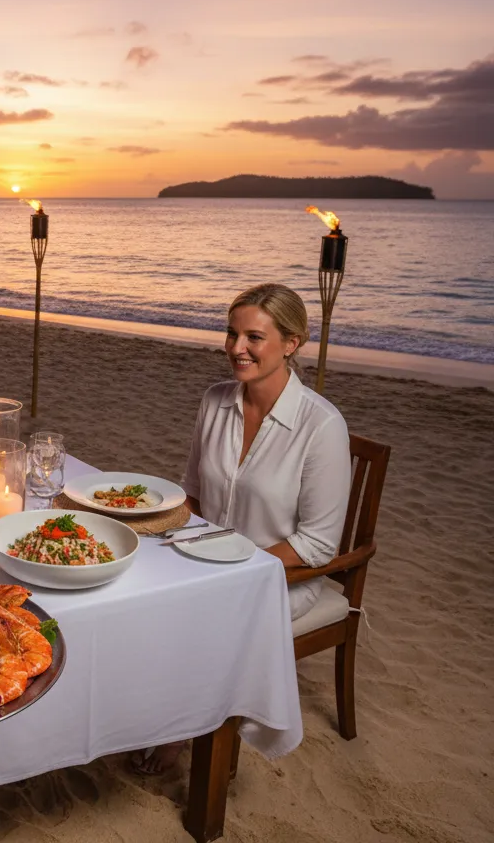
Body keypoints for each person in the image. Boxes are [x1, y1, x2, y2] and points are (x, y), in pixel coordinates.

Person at [133, 283, 350, 775]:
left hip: (278, 575)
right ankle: (146, 712)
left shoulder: (321, 427)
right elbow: (192, 494)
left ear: (292, 343)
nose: (236, 348)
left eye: (254, 337)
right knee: (133, 587)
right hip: (204, 556)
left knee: (201, 614)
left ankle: (185, 733)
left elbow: (317, 543)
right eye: (231, 333)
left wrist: (239, 571)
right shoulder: (215, 401)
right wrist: (141, 528)